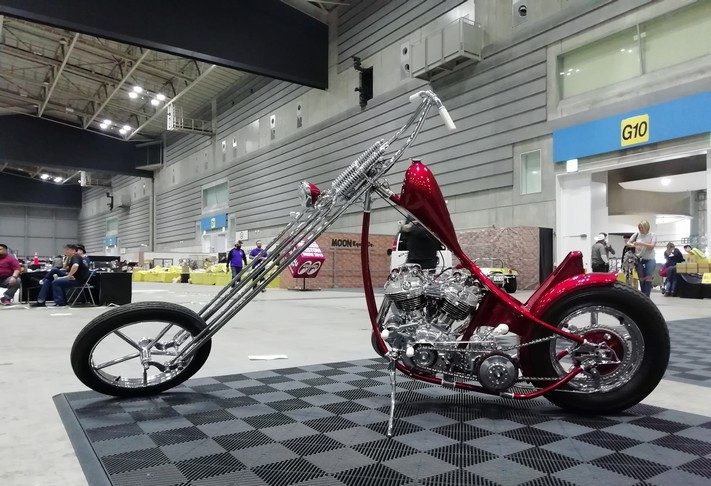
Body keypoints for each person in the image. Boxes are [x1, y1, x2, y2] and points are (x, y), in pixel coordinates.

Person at [627, 220, 657, 297]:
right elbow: (628, 243)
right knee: (641, 279)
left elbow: (651, 246)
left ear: (646, 227)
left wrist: (641, 244)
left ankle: (647, 296)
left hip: (650, 259)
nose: (640, 229)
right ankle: (643, 296)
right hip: (639, 259)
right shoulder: (636, 234)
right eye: (639, 228)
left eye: (642, 228)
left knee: (648, 278)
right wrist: (634, 245)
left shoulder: (652, 235)